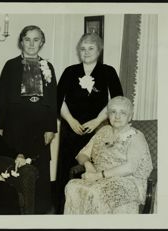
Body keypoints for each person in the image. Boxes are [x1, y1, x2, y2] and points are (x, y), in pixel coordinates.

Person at [55, 33, 123, 213]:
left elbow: (116, 101)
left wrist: (97, 121)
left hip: (97, 130)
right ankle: (64, 211)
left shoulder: (109, 72)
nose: (86, 52)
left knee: (93, 169)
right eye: (83, 48)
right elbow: (58, 100)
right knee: (67, 170)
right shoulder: (70, 71)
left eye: (91, 48)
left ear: (99, 50)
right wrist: (70, 120)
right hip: (71, 129)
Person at [0, 25, 57, 214]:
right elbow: (1, 98)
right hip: (15, 126)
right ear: (21, 42)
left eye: (36, 39)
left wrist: (51, 127)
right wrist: (0, 126)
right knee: (16, 166)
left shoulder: (48, 66)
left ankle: (40, 211)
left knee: (39, 168)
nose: (31, 43)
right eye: (27, 39)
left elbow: (53, 99)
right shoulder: (10, 65)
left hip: (40, 129)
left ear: (42, 42)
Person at [64, 96, 153, 214]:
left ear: (130, 116)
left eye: (123, 112)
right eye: (113, 112)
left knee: (96, 193)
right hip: (99, 178)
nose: (117, 116)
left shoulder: (136, 136)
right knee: (72, 187)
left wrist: (98, 176)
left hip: (126, 182)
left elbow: (130, 167)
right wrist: (88, 164)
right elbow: (82, 154)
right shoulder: (103, 131)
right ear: (108, 115)